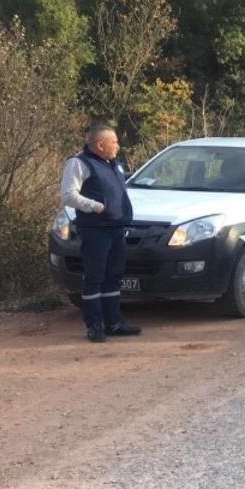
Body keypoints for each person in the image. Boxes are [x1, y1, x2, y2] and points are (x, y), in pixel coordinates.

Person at [60, 124, 142, 342]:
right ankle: (95, 326)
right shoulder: (78, 163)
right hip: (95, 230)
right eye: (114, 141)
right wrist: (96, 207)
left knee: (113, 276)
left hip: (116, 229)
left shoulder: (113, 164)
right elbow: (68, 195)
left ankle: (114, 323)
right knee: (94, 277)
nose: (118, 145)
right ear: (100, 144)